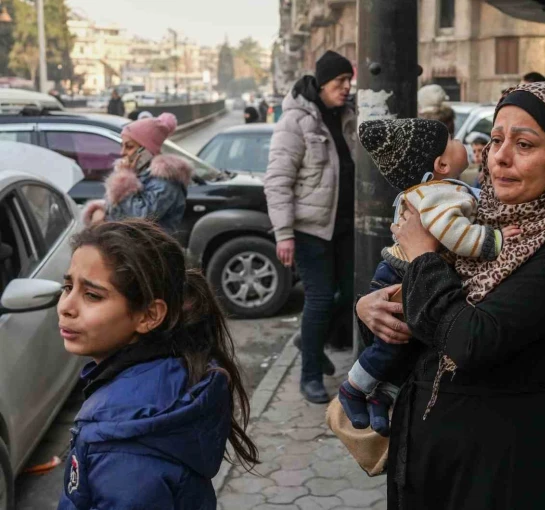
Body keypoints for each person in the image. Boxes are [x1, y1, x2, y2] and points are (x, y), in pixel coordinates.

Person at [356, 81, 545, 509]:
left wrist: (423, 258)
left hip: (496, 466)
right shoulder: (476, 219)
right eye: (495, 140)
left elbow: (470, 341)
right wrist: (369, 309)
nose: (500, 157)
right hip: (425, 452)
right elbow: (415, 328)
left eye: (524, 144)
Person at [56, 220, 259, 509]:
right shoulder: (172, 372)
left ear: (149, 315)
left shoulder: (122, 448)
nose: (66, 306)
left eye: (92, 295)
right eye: (67, 287)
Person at [339, 118, 519, 436]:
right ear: (442, 164)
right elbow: (456, 235)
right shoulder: (440, 194)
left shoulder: (441, 189)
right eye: (451, 139)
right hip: (402, 273)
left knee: (406, 346)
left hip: (403, 271)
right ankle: (354, 388)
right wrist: (496, 240)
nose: (460, 140)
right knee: (392, 344)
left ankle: (382, 398)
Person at [265, 50, 356, 404]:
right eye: (340, 81)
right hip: (310, 229)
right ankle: (311, 374)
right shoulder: (295, 121)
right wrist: (284, 233)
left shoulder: (348, 117)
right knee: (319, 299)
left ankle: (309, 340)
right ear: (322, 83)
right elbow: (277, 181)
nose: (346, 87)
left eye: (349, 81)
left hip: (345, 227)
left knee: (352, 293)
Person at [82, 113, 191, 234]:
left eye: (129, 146)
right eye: (122, 146)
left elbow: (139, 217)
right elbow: (119, 211)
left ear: (146, 150)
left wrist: (123, 180)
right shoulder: (137, 174)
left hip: (150, 245)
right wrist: (101, 211)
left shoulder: (166, 181)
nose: (122, 152)